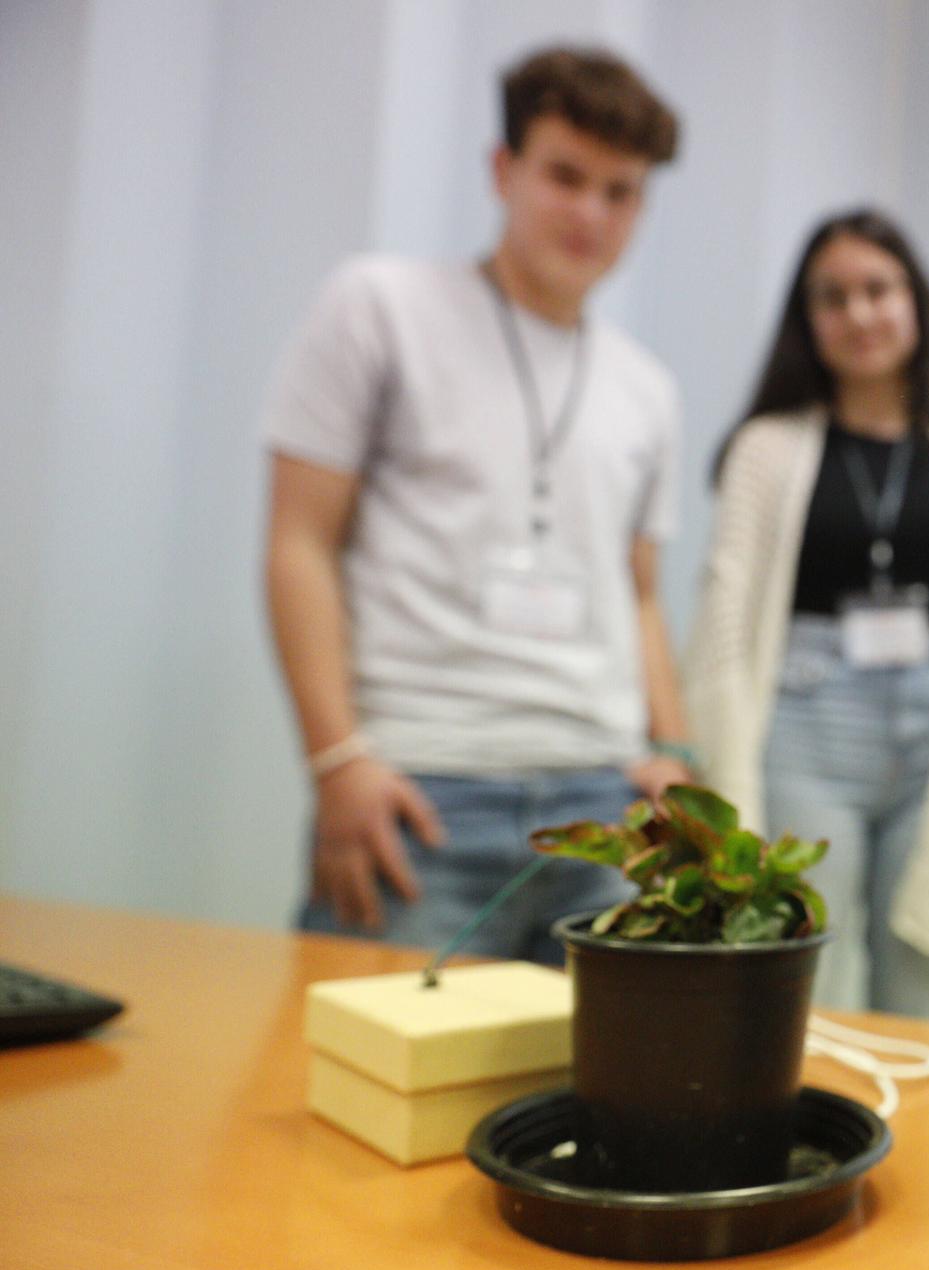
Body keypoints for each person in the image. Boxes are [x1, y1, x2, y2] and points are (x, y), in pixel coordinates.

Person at [261, 48, 695, 965]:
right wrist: (337, 761)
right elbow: (299, 541)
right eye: (565, 176)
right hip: (421, 793)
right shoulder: (379, 307)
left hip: (605, 806)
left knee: (603, 1066)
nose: (591, 213)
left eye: (620, 192)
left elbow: (641, 592)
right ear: (504, 170)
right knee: (372, 1056)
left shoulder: (648, 389)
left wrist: (672, 751)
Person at [687, 209, 929, 1013]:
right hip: (806, 731)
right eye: (833, 296)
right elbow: (723, 620)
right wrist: (716, 772)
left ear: (914, 300)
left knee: (917, 984)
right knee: (792, 980)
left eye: (878, 289)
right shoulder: (765, 448)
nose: (858, 313)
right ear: (807, 319)